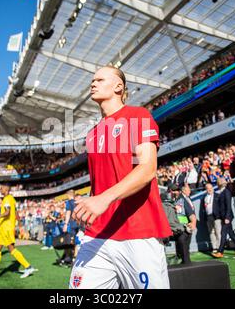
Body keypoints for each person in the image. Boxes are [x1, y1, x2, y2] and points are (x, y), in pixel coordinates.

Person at [70, 66, 172, 289]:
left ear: (118, 86)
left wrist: (103, 199)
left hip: (138, 232)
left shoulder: (138, 116)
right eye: (92, 80)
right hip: (97, 234)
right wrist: (88, 205)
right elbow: (100, 185)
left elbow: (147, 168)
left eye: (99, 79)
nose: (92, 83)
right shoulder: (93, 134)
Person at [0, 184, 35, 281]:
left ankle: (28, 267)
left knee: (10, 249)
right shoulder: (11, 199)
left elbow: (7, 213)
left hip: (6, 228)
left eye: (1, 188)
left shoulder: (6, 199)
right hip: (4, 228)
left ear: (6, 189)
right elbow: (16, 213)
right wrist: (20, 224)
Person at [212, 178, 235, 258]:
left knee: (223, 234)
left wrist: (227, 217)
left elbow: (228, 206)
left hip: (227, 217)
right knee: (231, 234)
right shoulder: (222, 192)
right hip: (224, 216)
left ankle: (220, 252)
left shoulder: (226, 192)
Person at [173, 185, 197, 264]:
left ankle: (186, 262)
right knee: (184, 246)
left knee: (185, 246)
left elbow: (190, 212)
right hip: (182, 226)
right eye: (188, 190)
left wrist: (193, 222)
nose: (190, 191)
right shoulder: (180, 199)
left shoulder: (184, 199)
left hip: (185, 226)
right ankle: (186, 262)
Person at [201, 183, 221, 253]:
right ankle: (214, 247)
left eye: (210, 188)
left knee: (218, 232)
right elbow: (203, 209)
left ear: (213, 188)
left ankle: (219, 247)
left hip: (216, 216)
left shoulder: (218, 195)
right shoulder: (204, 198)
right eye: (208, 188)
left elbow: (221, 207)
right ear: (206, 189)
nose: (209, 189)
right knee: (211, 232)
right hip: (208, 217)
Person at [61, 190, 79, 265]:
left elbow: (68, 214)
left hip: (72, 224)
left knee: (71, 242)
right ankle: (76, 258)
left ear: (68, 195)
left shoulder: (68, 202)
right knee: (77, 242)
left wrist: (65, 224)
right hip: (79, 224)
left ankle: (69, 258)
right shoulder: (77, 201)